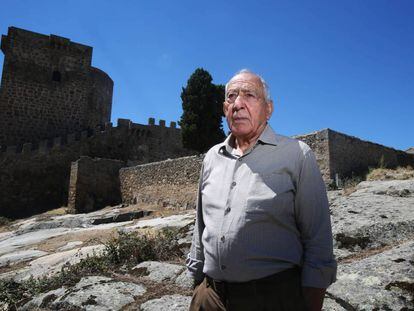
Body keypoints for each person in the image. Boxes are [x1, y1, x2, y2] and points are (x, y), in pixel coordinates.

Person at [186, 69, 337, 311]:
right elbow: (201, 224)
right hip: (209, 297)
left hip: (272, 299)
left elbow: (317, 239)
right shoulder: (211, 157)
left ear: (268, 108)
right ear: (225, 108)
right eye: (231, 96)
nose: (238, 104)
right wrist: (197, 287)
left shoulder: (297, 155)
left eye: (249, 95)